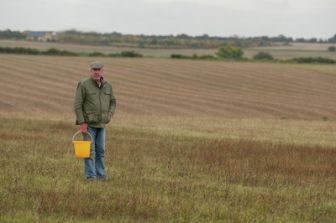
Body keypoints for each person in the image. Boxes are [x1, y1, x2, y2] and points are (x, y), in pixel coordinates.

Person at [74, 61, 116, 180]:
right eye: (94, 70)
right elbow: (77, 105)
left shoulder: (107, 85)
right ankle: (90, 177)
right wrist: (82, 122)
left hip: (102, 124)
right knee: (89, 151)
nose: (97, 72)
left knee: (101, 151)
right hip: (88, 124)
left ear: (102, 71)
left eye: (99, 70)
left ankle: (101, 175)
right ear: (90, 71)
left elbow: (113, 101)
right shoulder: (83, 84)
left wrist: (110, 114)